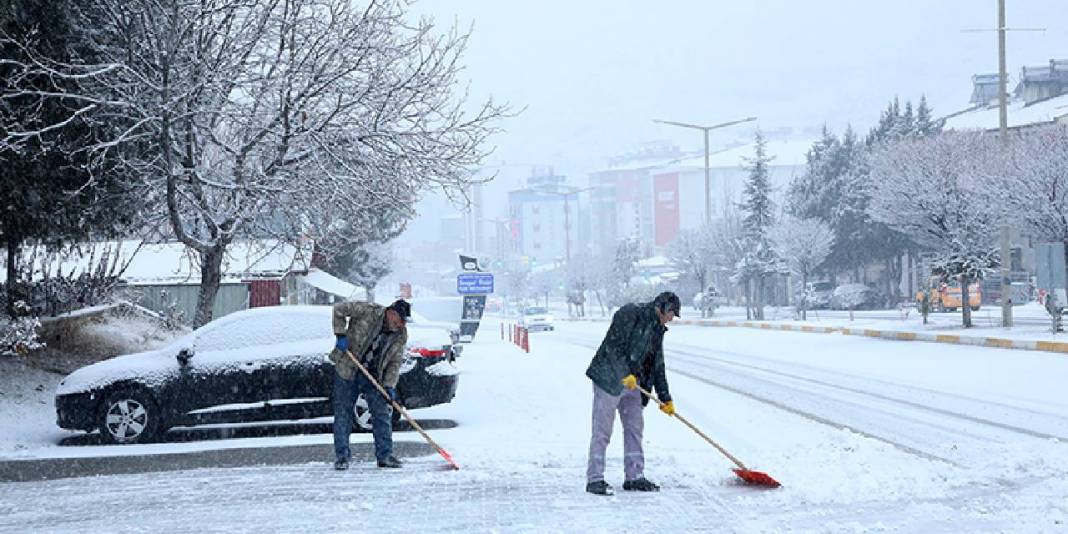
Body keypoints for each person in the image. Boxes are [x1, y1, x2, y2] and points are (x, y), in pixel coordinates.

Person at [584, 291, 680, 496]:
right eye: (672, 313)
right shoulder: (629, 314)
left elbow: (657, 365)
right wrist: (625, 373)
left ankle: (634, 476)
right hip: (608, 381)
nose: (672, 318)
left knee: (635, 429)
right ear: (662, 307)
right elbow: (613, 346)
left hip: (634, 386)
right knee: (602, 431)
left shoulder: (657, 329)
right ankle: (595, 479)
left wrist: (666, 398)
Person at [329, 299, 410, 470]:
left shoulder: (400, 335)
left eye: (403, 322)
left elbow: (395, 362)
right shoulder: (368, 311)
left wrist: (389, 385)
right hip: (348, 369)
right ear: (390, 312)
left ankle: (385, 455)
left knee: (381, 414)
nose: (400, 324)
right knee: (343, 413)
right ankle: (342, 457)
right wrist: (340, 334)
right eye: (399, 320)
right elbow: (338, 309)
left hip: (374, 376)